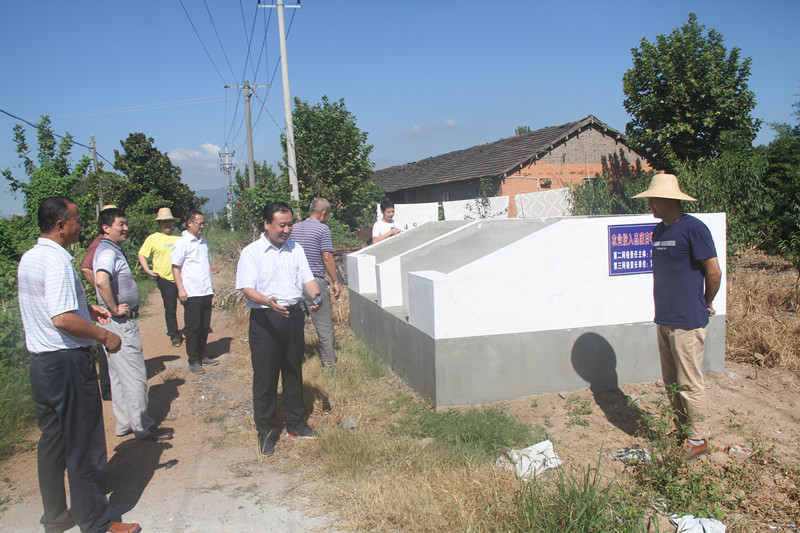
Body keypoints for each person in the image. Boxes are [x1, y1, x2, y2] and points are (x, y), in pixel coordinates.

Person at [18, 196, 140, 533]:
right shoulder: (57, 261)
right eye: (76, 220)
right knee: (84, 445)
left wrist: (86, 309)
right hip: (68, 364)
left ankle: (56, 517)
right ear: (61, 226)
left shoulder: (31, 258)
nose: (81, 226)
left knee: (53, 443)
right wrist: (104, 335)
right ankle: (97, 521)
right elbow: (61, 319)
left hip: (43, 365)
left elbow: (52, 306)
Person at [633, 174, 722, 461]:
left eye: (653, 199)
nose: (650, 204)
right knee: (671, 381)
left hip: (687, 320)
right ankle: (683, 430)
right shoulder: (659, 231)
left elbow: (714, 272)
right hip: (664, 318)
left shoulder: (694, 228)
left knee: (689, 382)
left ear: (670, 200)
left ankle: (698, 439)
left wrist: (707, 301)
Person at [236, 202, 322, 457]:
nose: (287, 230)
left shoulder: (296, 248)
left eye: (290, 224)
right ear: (267, 224)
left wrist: (316, 296)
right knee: (266, 377)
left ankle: (296, 424)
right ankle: (266, 432)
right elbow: (247, 288)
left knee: (293, 370)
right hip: (265, 318)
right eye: (281, 225)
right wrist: (267, 301)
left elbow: (308, 279)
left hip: (293, 316)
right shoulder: (252, 252)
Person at [94, 207, 173, 442]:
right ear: (106, 228)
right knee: (135, 375)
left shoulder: (108, 249)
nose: (126, 228)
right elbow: (101, 280)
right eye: (121, 224)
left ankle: (125, 423)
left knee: (118, 375)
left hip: (112, 324)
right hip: (120, 323)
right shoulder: (107, 253)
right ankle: (142, 426)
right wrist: (114, 308)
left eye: (125, 223)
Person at [290, 198, 341, 370]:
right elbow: (327, 257)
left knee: (296, 325)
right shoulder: (323, 229)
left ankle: (293, 360)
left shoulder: (294, 228)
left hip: (295, 283)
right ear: (324, 212)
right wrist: (335, 281)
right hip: (314, 282)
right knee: (324, 324)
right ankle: (329, 364)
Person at [171, 209, 217, 374]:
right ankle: (193, 359)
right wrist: (181, 289)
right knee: (193, 327)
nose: (202, 226)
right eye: (200, 223)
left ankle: (202, 354)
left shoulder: (202, 242)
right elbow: (175, 268)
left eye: (204, 223)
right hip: (192, 292)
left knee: (204, 325)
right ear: (189, 223)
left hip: (205, 290)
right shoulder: (182, 243)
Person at [80, 204, 117, 401]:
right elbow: (86, 268)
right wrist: (101, 289)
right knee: (106, 343)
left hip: (108, 301)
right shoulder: (99, 245)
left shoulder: (109, 244)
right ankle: (108, 389)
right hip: (105, 304)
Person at [137, 207, 182, 347]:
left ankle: (190, 330)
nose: (167, 224)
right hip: (165, 279)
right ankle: (174, 335)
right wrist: (147, 270)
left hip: (181, 278)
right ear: (159, 224)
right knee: (170, 308)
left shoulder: (179, 239)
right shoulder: (153, 238)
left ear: (173, 222)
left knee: (189, 304)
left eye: (169, 221)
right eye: (164, 222)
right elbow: (141, 254)